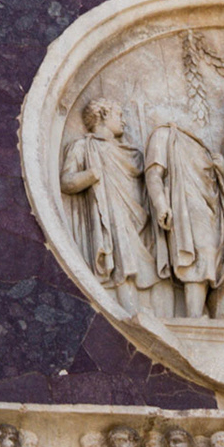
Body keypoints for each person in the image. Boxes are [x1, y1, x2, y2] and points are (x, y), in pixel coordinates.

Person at [61, 99, 155, 312]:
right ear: (103, 115)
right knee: (122, 256)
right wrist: (91, 175)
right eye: (119, 115)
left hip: (136, 212)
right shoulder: (83, 147)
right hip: (110, 213)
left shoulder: (131, 153)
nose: (124, 121)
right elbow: (66, 181)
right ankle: (127, 310)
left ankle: (147, 309)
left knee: (143, 259)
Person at [142, 121, 224, 318]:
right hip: (186, 204)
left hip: (212, 208)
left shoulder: (203, 148)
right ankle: (194, 315)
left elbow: (222, 189)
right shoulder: (164, 134)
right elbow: (153, 174)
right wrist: (161, 204)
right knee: (199, 254)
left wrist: (223, 172)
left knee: (219, 260)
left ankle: (211, 316)